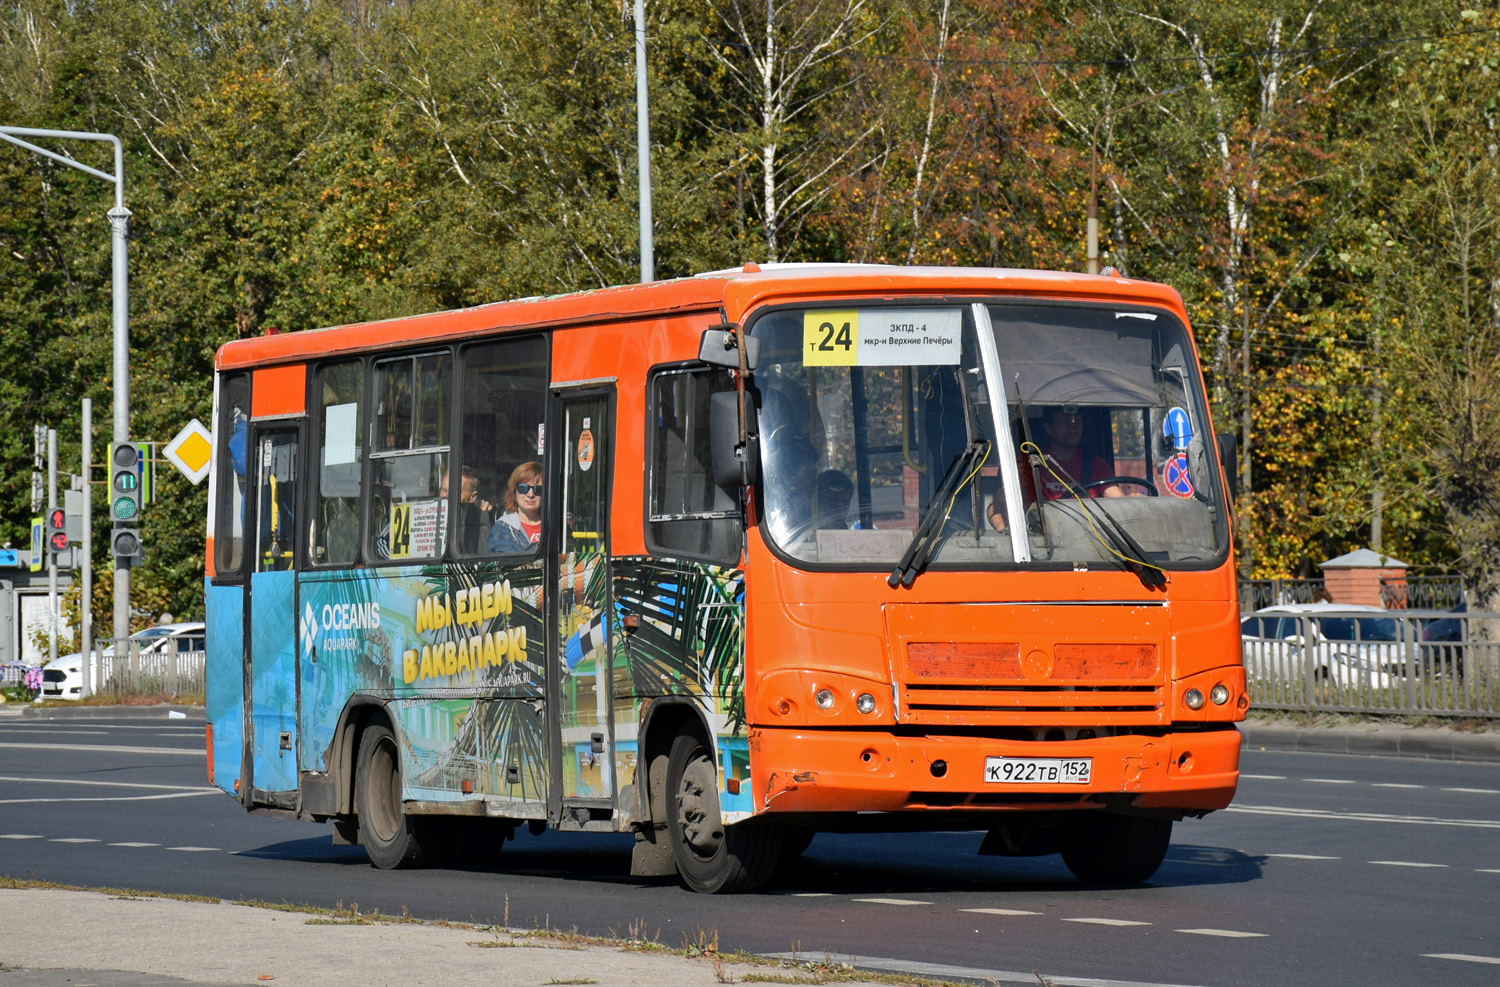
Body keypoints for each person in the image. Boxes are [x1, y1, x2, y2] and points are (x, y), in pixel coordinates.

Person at [987, 406, 1122, 531]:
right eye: (1065, 423)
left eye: (1077, 423)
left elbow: (1117, 499)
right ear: (1048, 428)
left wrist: (1134, 501)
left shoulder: (1096, 464)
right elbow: (995, 508)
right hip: (1042, 544)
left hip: (1089, 543)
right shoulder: (1029, 463)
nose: (1073, 428)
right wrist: (1005, 532)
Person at [488, 461, 544, 553]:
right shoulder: (503, 530)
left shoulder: (556, 525)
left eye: (537, 489)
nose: (530, 494)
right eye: (523, 488)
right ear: (514, 492)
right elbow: (511, 564)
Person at [442, 465, 494, 553]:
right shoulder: (429, 516)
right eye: (443, 490)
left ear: (473, 497)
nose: (447, 496)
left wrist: (484, 518)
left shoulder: (481, 523)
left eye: (455, 491)